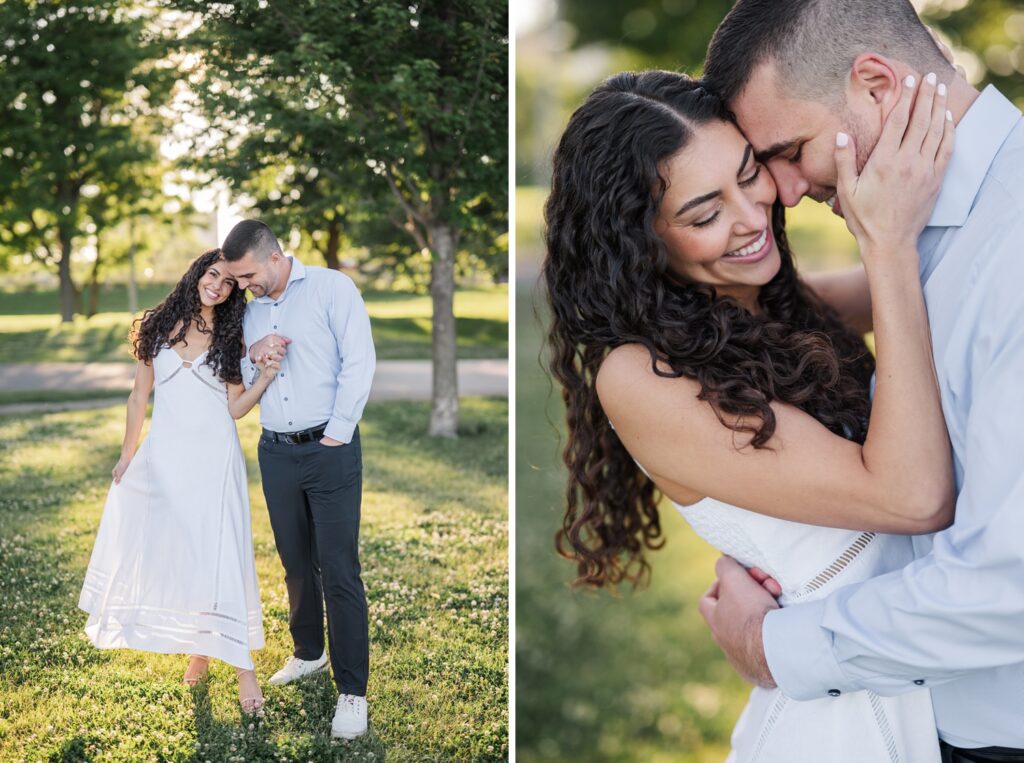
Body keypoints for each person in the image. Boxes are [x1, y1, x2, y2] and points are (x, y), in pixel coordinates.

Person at [544, 67, 955, 760]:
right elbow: (912, 496)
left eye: (749, 173)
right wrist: (886, 245)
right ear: (642, 242)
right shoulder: (639, 374)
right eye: (705, 214)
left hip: (903, 656)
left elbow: (943, 278)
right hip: (849, 718)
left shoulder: (768, 302)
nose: (752, 215)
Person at [694, 2, 1024, 760]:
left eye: (787, 150)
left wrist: (773, 645)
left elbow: (1008, 586)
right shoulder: (924, 236)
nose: (782, 191)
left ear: (875, 85)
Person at [79, 248, 279, 713]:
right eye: (214, 275)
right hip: (167, 457)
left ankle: (244, 669)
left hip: (216, 459)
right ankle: (200, 648)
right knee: (187, 550)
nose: (219, 286)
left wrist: (265, 377)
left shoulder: (229, 335)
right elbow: (138, 397)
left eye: (229, 282)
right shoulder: (155, 328)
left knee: (220, 552)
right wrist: (128, 456)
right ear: (197, 274)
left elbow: (235, 407)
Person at [220, 220, 376, 740]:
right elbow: (235, 369)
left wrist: (338, 432)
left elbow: (360, 359)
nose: (243, 286)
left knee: (338, 569)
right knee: (294, 563)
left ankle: (352, 692)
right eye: (238, 280)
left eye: (247, 275)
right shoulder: (247, 311)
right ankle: (309, 652)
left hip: (330, 450)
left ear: (272, 257)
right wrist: (252, 349)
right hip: (276, 453)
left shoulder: (333, 288)